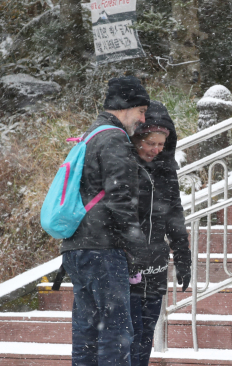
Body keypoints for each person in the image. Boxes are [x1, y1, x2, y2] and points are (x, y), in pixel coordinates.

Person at [60, 76, 151, 366]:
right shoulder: (114, 138)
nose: (143, 119)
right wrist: (138, 250)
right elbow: (121, 199)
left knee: (87, 330)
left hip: (78, 247)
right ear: (125, 107)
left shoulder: (92, 135)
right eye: (141, 111)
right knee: (115, 331)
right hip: (103, 249)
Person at [129, 101, 192, 366]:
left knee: (145, 335)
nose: (156, 150)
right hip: (127, 265)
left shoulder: (166, 171)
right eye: (150, 143)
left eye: (161, 144)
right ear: (136, 139)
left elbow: (174, 215)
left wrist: (182, 256)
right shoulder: (123, 168)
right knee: (127, 335)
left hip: (155, 263)